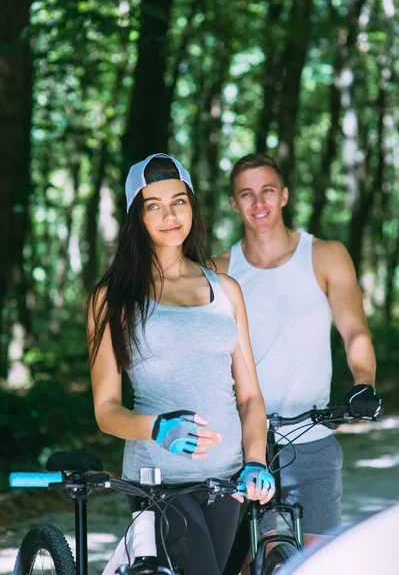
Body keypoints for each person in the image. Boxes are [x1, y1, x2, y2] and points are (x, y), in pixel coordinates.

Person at [86, 153, 275, 575]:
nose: (170, 215)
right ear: (137, 216)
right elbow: (106, 410)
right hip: (159, 480)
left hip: (228, 479)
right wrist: (158, 427)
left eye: (179, 201)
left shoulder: (226, 289)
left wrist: (256, 461)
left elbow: (248, 396)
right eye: (154, 205)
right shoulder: (112, 298)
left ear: (193, 206)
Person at [213, 153, 381, 563]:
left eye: (267, 190)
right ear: (235, 203)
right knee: (249, 559)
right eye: (246, 194)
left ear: (284, 195)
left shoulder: (324, 255)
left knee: (321, 561)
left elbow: (354, 331)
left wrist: (364, 383)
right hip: (242, 445)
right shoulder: (218, 270)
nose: (259, 203)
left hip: (312, 436)